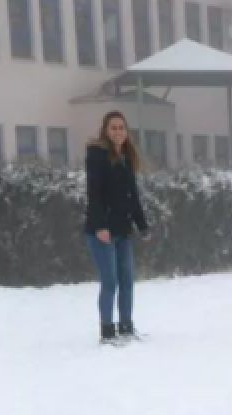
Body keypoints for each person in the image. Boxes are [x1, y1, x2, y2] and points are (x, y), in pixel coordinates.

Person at [83, 111, 150, 345]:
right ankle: (107, 330)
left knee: (127, 281)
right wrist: (100, 226)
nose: (118, 132)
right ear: (105, 130)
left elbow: (132, 196)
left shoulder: (126, 157)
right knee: (110, 281)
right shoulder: (97, 156)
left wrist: (142, 224)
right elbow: (94, 194)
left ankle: (126, 326)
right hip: (102, 232)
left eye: (122, 127)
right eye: (113, 128)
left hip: (122, 230)